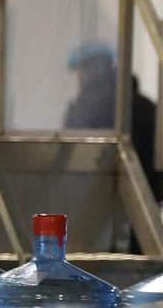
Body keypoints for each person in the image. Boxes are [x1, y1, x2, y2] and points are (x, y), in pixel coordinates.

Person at [64, 41, 160, 198]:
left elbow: (71, 158)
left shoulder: (87, 108)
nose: (80, 79)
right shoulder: (144, 105)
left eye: (83, 71)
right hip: (148, 198)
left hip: (105, 198)